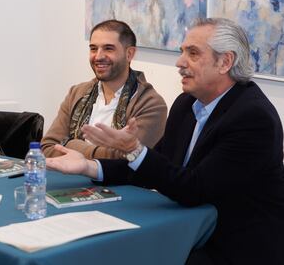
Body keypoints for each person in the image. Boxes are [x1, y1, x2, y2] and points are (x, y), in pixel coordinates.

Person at [46, 18, 284, 265]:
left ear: (225, 62)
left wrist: (132, 148)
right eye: (182, 52)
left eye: (193, 53)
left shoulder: (253, 117)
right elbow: (155, 165)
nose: (180, 63)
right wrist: (90, 166)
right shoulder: (186, 104)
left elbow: (195, 189)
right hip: (192, 231)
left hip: (236, 247)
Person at [41, 19, 167, 159]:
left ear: (129, 54)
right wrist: (100, 152)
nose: (99, 56)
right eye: (93, 48)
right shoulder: (76, 93)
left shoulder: (151, 104)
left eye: (108, 48)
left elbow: (127, 159)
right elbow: (46, 148)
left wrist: (71, 144)